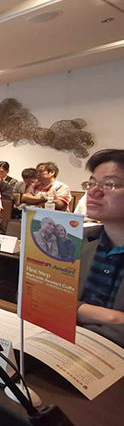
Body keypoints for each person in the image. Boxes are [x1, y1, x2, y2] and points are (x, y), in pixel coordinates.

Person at [78, 149, 124, 347]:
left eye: (109, 184)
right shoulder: (73, 240)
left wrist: (70, 310)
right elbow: (33, 296)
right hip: (57, 347)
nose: (93, 191)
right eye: (91, 183)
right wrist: (114, 317)